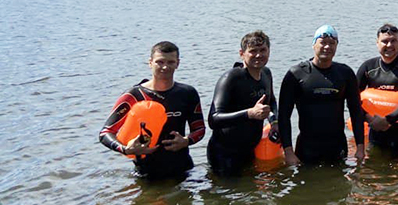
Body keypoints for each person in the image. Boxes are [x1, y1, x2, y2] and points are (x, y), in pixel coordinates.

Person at [99, 41, 206, 179]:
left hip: (183, 168)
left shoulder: (187, 93)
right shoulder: (134, 95)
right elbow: (106, 132)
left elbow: (200, 129)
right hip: (147, 173)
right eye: (159, 62)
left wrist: (187, 141)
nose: (165, 67)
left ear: (177, 63)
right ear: (150, 62)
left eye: (171, 62)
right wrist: (125, 149)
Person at [279, 25, 366, 165]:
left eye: (332, 43)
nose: (327, 47)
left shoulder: (345, 73)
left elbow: (355, 112)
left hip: (337, 146)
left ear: (337, 46)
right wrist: (288, 152)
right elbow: (284, 116)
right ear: (314, 44)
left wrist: (360, 148)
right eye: (323, 42)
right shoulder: (296, 74)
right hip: (306, 147)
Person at [206, 30, 278, 176]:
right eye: (253, 51)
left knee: (252, 194)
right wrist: (249, 113)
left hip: (250, 149)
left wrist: (274, 121)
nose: (259, 55)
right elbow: (213, 119)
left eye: (263, 50)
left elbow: (272, 101)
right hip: (224, 153)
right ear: (242, 53)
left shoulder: (266, 74)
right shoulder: (231, 78)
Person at [356, 23, 398, 155]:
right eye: (385, 41)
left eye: (394, 41)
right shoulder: (368, 67)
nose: (389, 45)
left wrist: (388, 120)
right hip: (376, 130)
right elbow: (352, 98)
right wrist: (369, 119)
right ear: (377, 43)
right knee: (374, 169)